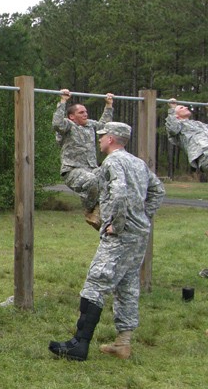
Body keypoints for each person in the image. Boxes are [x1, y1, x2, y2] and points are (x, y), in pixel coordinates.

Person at [49, 122, 165, 361]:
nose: (99, 139)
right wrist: (143, 216)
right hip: (139, 234)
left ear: (111, 139)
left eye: (102, 136)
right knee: (127, 285)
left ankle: (79, 344)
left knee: (95, 282)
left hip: (119, 236)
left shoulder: (113, 162)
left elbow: (119, 192)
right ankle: (123, 343)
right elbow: (158, 190)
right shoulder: (138, 163)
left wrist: (118, 223)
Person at [52, 89, 114, 229]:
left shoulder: (90, 125)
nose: (85, 114)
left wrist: (108, 105)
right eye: (81, 112)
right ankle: (88, 211)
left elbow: (104, 125)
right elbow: (57, 123)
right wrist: (63, 101)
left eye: (86, 112)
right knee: (91, 180)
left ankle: (100, 213)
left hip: (91, 169)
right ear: (72, 117)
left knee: (111, 178)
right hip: (73, 170)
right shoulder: (68, 126)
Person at [165, 99, 208, 175]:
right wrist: (172, 109)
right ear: (176, 115)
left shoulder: (198, 123)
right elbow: (173, 129)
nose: (186, 107)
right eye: (181, 108)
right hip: (204, 155)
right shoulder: (179, 127)